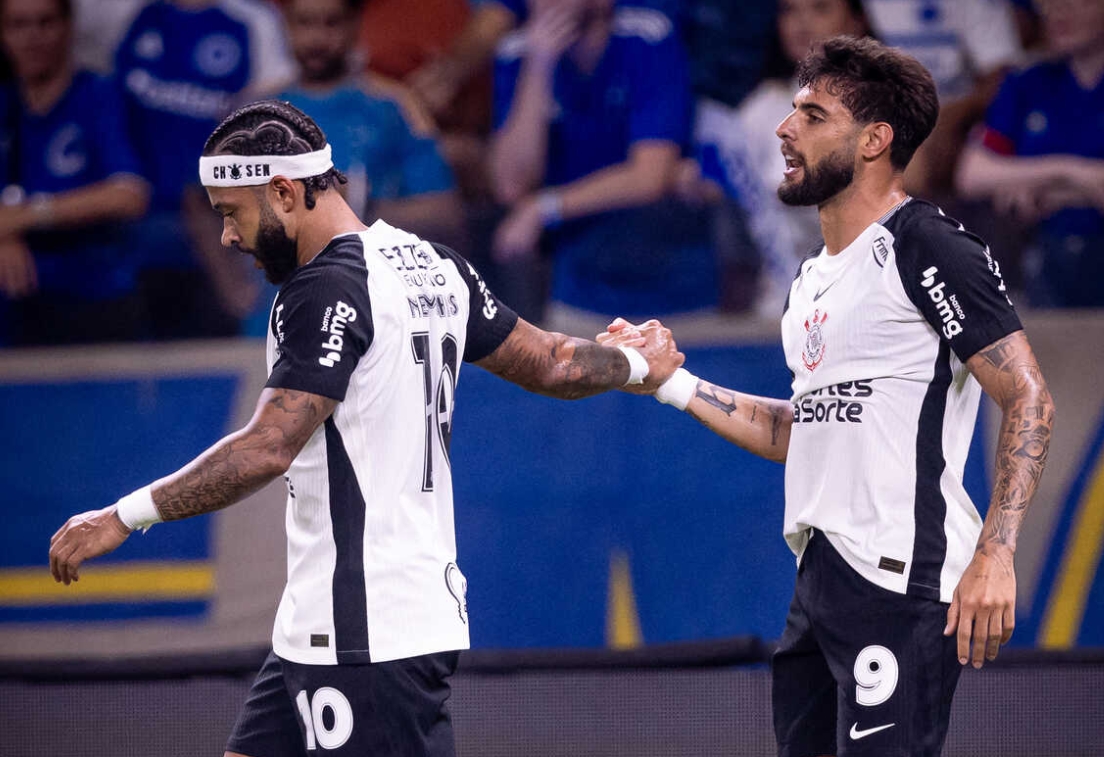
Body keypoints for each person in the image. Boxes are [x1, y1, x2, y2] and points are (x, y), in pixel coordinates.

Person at [47, 99, 681, 757]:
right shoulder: (434, 264)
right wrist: (638, 361)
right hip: (322, 626)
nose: (229, 237)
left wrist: (125, 515)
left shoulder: (322, 288)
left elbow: (268, 445)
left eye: (231, 213)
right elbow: (553, 362)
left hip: (365, 633)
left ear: (285, 192)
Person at [601, 37, 1054, 756]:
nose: (785, 130)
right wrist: (673, 383)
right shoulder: (811, 279)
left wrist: (997, 553)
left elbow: (1028, 396)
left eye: (812, 116)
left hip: (901, 579)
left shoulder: (927, 246)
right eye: (792, 112)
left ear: (875, 140)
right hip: (819, 583)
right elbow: (803, 428)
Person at [490, 0, 715, 328]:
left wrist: (546, 207)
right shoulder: (516, 53)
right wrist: (539, 65)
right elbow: (511, 184)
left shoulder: (646, 36)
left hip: (666, 264)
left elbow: (649, 177)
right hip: (575, 277)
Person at [114, 0, 295, 338]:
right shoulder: (135, 15)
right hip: (136, 217)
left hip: (217, 221)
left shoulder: (252, 21)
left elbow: (274, 117)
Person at [0, 0, 150, 346]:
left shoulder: (99, 97)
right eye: (18, 26)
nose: (32, 38)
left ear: (68, 26)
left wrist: (22, 218)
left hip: (95, 299)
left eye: (45, 23)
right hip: (15, 309)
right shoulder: (6, 106)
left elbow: (129, 194)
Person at [956, 0, 1104, 309]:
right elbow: (972, 173)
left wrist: (1043, 189)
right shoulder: (1028, 81)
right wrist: (1069, 173)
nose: (1057, 10)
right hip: (1044, 262)